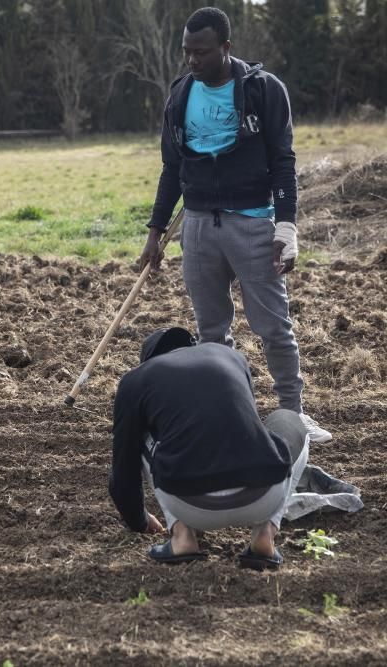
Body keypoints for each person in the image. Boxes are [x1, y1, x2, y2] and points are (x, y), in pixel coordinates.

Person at [138, 6, 332, 443]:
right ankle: (230, 412)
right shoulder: (180, 94)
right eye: (187, 52)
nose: (192, 61)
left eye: (201, 52)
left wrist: (287, 227)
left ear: (226, 48)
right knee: (211, 335)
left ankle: (293, 415)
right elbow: (172, 169)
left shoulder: (264, 91)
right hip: (199, 227)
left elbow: (284, 162)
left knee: (273, 328)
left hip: (252, 225)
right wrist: (155, 234)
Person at [110, 327, 309, 570]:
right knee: (289, 419)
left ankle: (182, 536)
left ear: (149, 360)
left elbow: (123, 474)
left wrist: (139, 521)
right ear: (193, 346)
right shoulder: (232, 357)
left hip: (189, 504)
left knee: (139, 432)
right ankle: (265, 534)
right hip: (264, 494)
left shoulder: (136, 380)